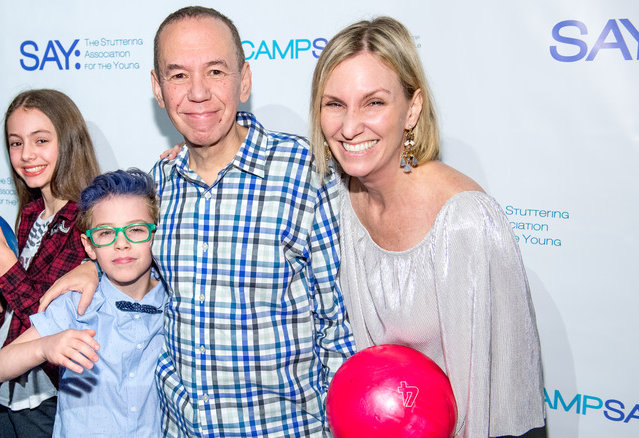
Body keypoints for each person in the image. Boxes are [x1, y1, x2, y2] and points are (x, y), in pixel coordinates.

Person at [39, 6, 355, 437]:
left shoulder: (306, 173)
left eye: (216, 71)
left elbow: (339, 328)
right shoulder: (159, 185)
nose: (198, 92)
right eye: (179, 75)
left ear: (244, 80)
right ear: (158, 87)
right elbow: (124, 253)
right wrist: (89, 265)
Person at [309, 17, 545, 438]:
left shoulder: (465, 222)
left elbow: (504, 399)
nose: (349, 127)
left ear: (412, 108)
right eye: (335, 104)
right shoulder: (336, 199)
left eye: (374, 103)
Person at [0, 89, 101, 437]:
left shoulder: (87, 221)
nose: (26, 155)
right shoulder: (30, 214)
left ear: (69, 142)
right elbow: (19, 307)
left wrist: (2, 259)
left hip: (50, 400)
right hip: (9, 388)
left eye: (40, 140)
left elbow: (49, 318)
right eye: (15, 143)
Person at [0, 169, 167, 438]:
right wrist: (45, 348)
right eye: (106, 233)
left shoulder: (175, 299)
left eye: (136, 229)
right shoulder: (77, 303)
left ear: (156, 234)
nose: (122, 244)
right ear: (89, 245)